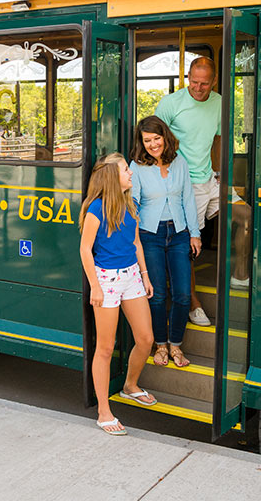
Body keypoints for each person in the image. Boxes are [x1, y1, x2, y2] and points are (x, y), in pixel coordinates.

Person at [79, 153, 157, 435]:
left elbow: (136, 243)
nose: (131, 173)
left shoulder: (129, 205)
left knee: (146, 338)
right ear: (113, 176)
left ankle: (130, 386)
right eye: (126, 170)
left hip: (132, 276)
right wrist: (96, 287)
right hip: (107, 280)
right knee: (105, 347)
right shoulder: (96, 210)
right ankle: (103, 411)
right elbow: (85, 250)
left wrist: (145, 276)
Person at [129, 116, 200, 368]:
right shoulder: (136, 166)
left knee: (181, 294)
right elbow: (134, 199)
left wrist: (194, 233)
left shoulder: (180, 162)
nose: (152, 144)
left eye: (156, 138)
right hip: (150, 235)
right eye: (147, 140)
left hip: (179, 233)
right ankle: (160, 344)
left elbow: (188, 198)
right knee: (157, 295)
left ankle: (176, 346)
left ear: (165, 137)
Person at [154, 56, 220, 326]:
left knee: (244, 217)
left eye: (204, 83)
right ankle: (193, 303)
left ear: (213, 82)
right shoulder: (171, 103)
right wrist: (167, 179)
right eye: (194, 81)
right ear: (187, 77)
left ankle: (241, 279)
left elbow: (217, 138)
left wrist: (220, 173)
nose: (198, 87)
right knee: (188, 244)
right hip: (184, 184)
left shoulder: (218, 103)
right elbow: (153, 141)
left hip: (210, 179)